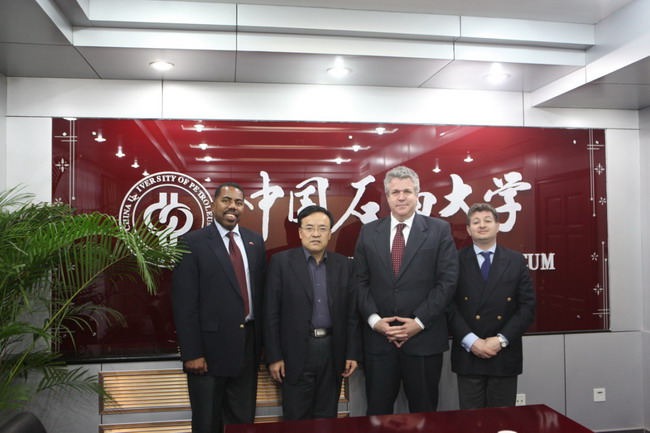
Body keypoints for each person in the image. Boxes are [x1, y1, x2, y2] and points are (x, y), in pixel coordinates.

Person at [354, 166, 458, 415]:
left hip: (424, 340)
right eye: (395, 192)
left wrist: (418, 322)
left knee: (424, 413)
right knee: (377, 413)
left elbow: (447, 282)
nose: (401, 197)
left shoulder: (439, 230)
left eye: (407, 191)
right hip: (380, 341)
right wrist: (375, 321)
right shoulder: (369, 231)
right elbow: (359, 281)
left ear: (417, 195)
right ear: (387, 197)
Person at [172, 183, 266, 433]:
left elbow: (260, 294)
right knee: (207, 422)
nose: (233, 206)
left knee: (242, 421)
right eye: (226, 200)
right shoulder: (192, 242)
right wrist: (192, 352)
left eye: (238, 202)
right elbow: (184, 303)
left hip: (247, 347)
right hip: (208, 352)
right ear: (214, 205)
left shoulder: (255, 241)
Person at [264, 205, 361, 420]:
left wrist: (352, 353)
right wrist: (274, 356)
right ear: (300, 232)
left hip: (332, 350)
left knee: (327, 417)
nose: (316, 234)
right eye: (309, 228)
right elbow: (271, 313)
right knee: (296, 418)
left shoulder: (344, 265)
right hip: (295, 353)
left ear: (330, 233)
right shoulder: (281, 262)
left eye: (322, 228)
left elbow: (352, 314)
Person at [447, 202, 536, 409]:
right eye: (476, 222)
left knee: (502, 420)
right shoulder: (454, 260)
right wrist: (472, 341)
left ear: (498, 226)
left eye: (488, 220)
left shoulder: (515, 260)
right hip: (469, 353)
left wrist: (501, 340)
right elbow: (448, 306)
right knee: (471, 421)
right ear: (469, 229)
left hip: (504, 353)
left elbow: (527, 306)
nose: (482, 225)